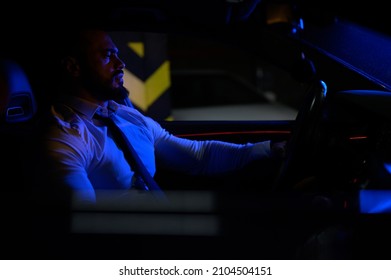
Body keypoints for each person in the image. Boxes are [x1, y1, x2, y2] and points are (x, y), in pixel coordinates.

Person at [34, 28, 286, 206]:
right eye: (107, 55)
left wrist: (268, 150)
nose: (121, 63)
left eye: (118, 54)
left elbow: (198, 156)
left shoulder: (126, 116)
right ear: (73, 67)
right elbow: (82, 227)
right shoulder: (65, 138)